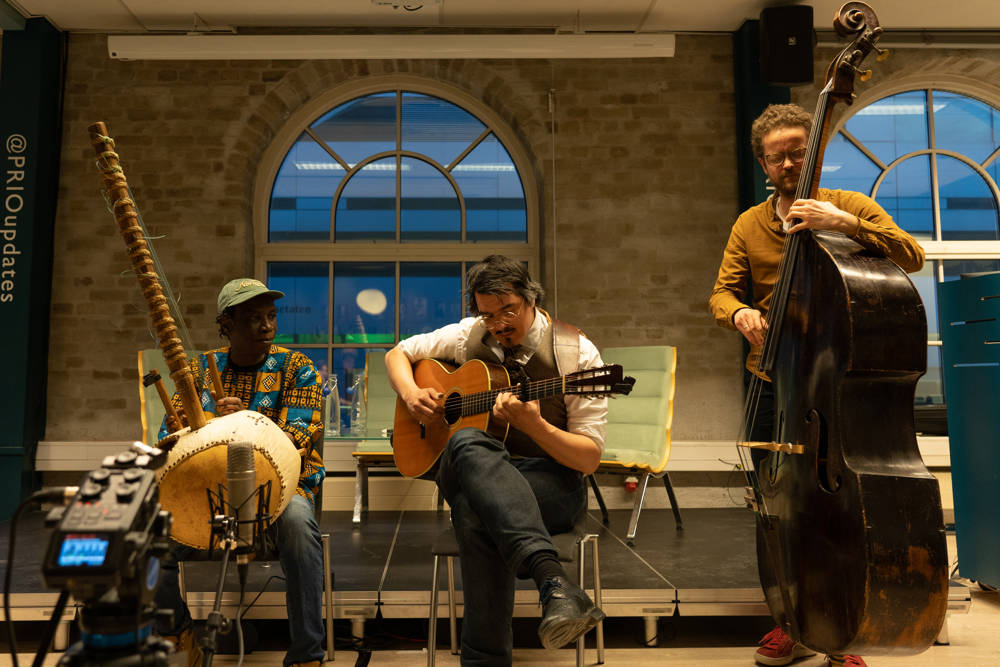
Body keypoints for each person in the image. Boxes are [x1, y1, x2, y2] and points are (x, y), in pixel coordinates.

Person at [710, 104, 925, 667]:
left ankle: (843, 628)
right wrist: (738, 315)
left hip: (835, 390)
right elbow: (721, 294)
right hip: (774, 384)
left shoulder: (851, 206)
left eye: (798, 151)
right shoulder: (748, 224)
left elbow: (913, 256)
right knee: (779, 514)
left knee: (842, 516)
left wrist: (846, 225)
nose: (788, 162)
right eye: (777, 155)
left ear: (816, 153)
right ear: (763, 162)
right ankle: (793, 625)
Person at [385, 255, 606, 665]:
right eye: (488, 314)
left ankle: (484, 660)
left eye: (509, 310)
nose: (499, 323)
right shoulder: (467, 335)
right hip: (469, 465)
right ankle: (554, 582)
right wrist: (412, 395)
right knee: (468, 439)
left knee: (475, 513)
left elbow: (589, 459)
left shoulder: (578, 353)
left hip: (552, 484)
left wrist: (536, 428)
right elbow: (397, 353)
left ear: (530, 299)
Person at [155, 278, 327, 667]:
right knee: (149, 537)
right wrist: (183, 425)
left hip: (281, 492)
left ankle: (306, 655)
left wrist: (246, 421)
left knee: (300, 528)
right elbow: (167, 438)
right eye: (253, 319)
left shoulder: (297, 368)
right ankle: (181, 637)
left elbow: (297, 439)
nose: (266, 326)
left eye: (270, 317)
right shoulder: (201, 368)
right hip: (205, 491)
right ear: (226, 325)